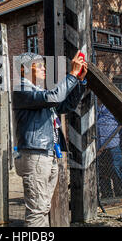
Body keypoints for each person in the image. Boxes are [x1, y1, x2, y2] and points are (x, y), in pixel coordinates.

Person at [13, 51, 88, 227]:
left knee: (42, 208)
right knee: (37, 211)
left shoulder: (38, 93)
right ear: (24, 70)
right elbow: (54, 97)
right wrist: (71, 75)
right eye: (38, 65)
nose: (43, 68)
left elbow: (66, 105)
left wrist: (79, 81)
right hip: (35, 155)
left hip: (46, 154)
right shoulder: (22, 90)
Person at [96, 103, 122, 198]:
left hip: (113, 145)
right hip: (98, 148)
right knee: (102, 173)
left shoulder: (112, 107)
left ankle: (120, 195)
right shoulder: (93, 107)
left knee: (116, 170)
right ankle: (106, 195)